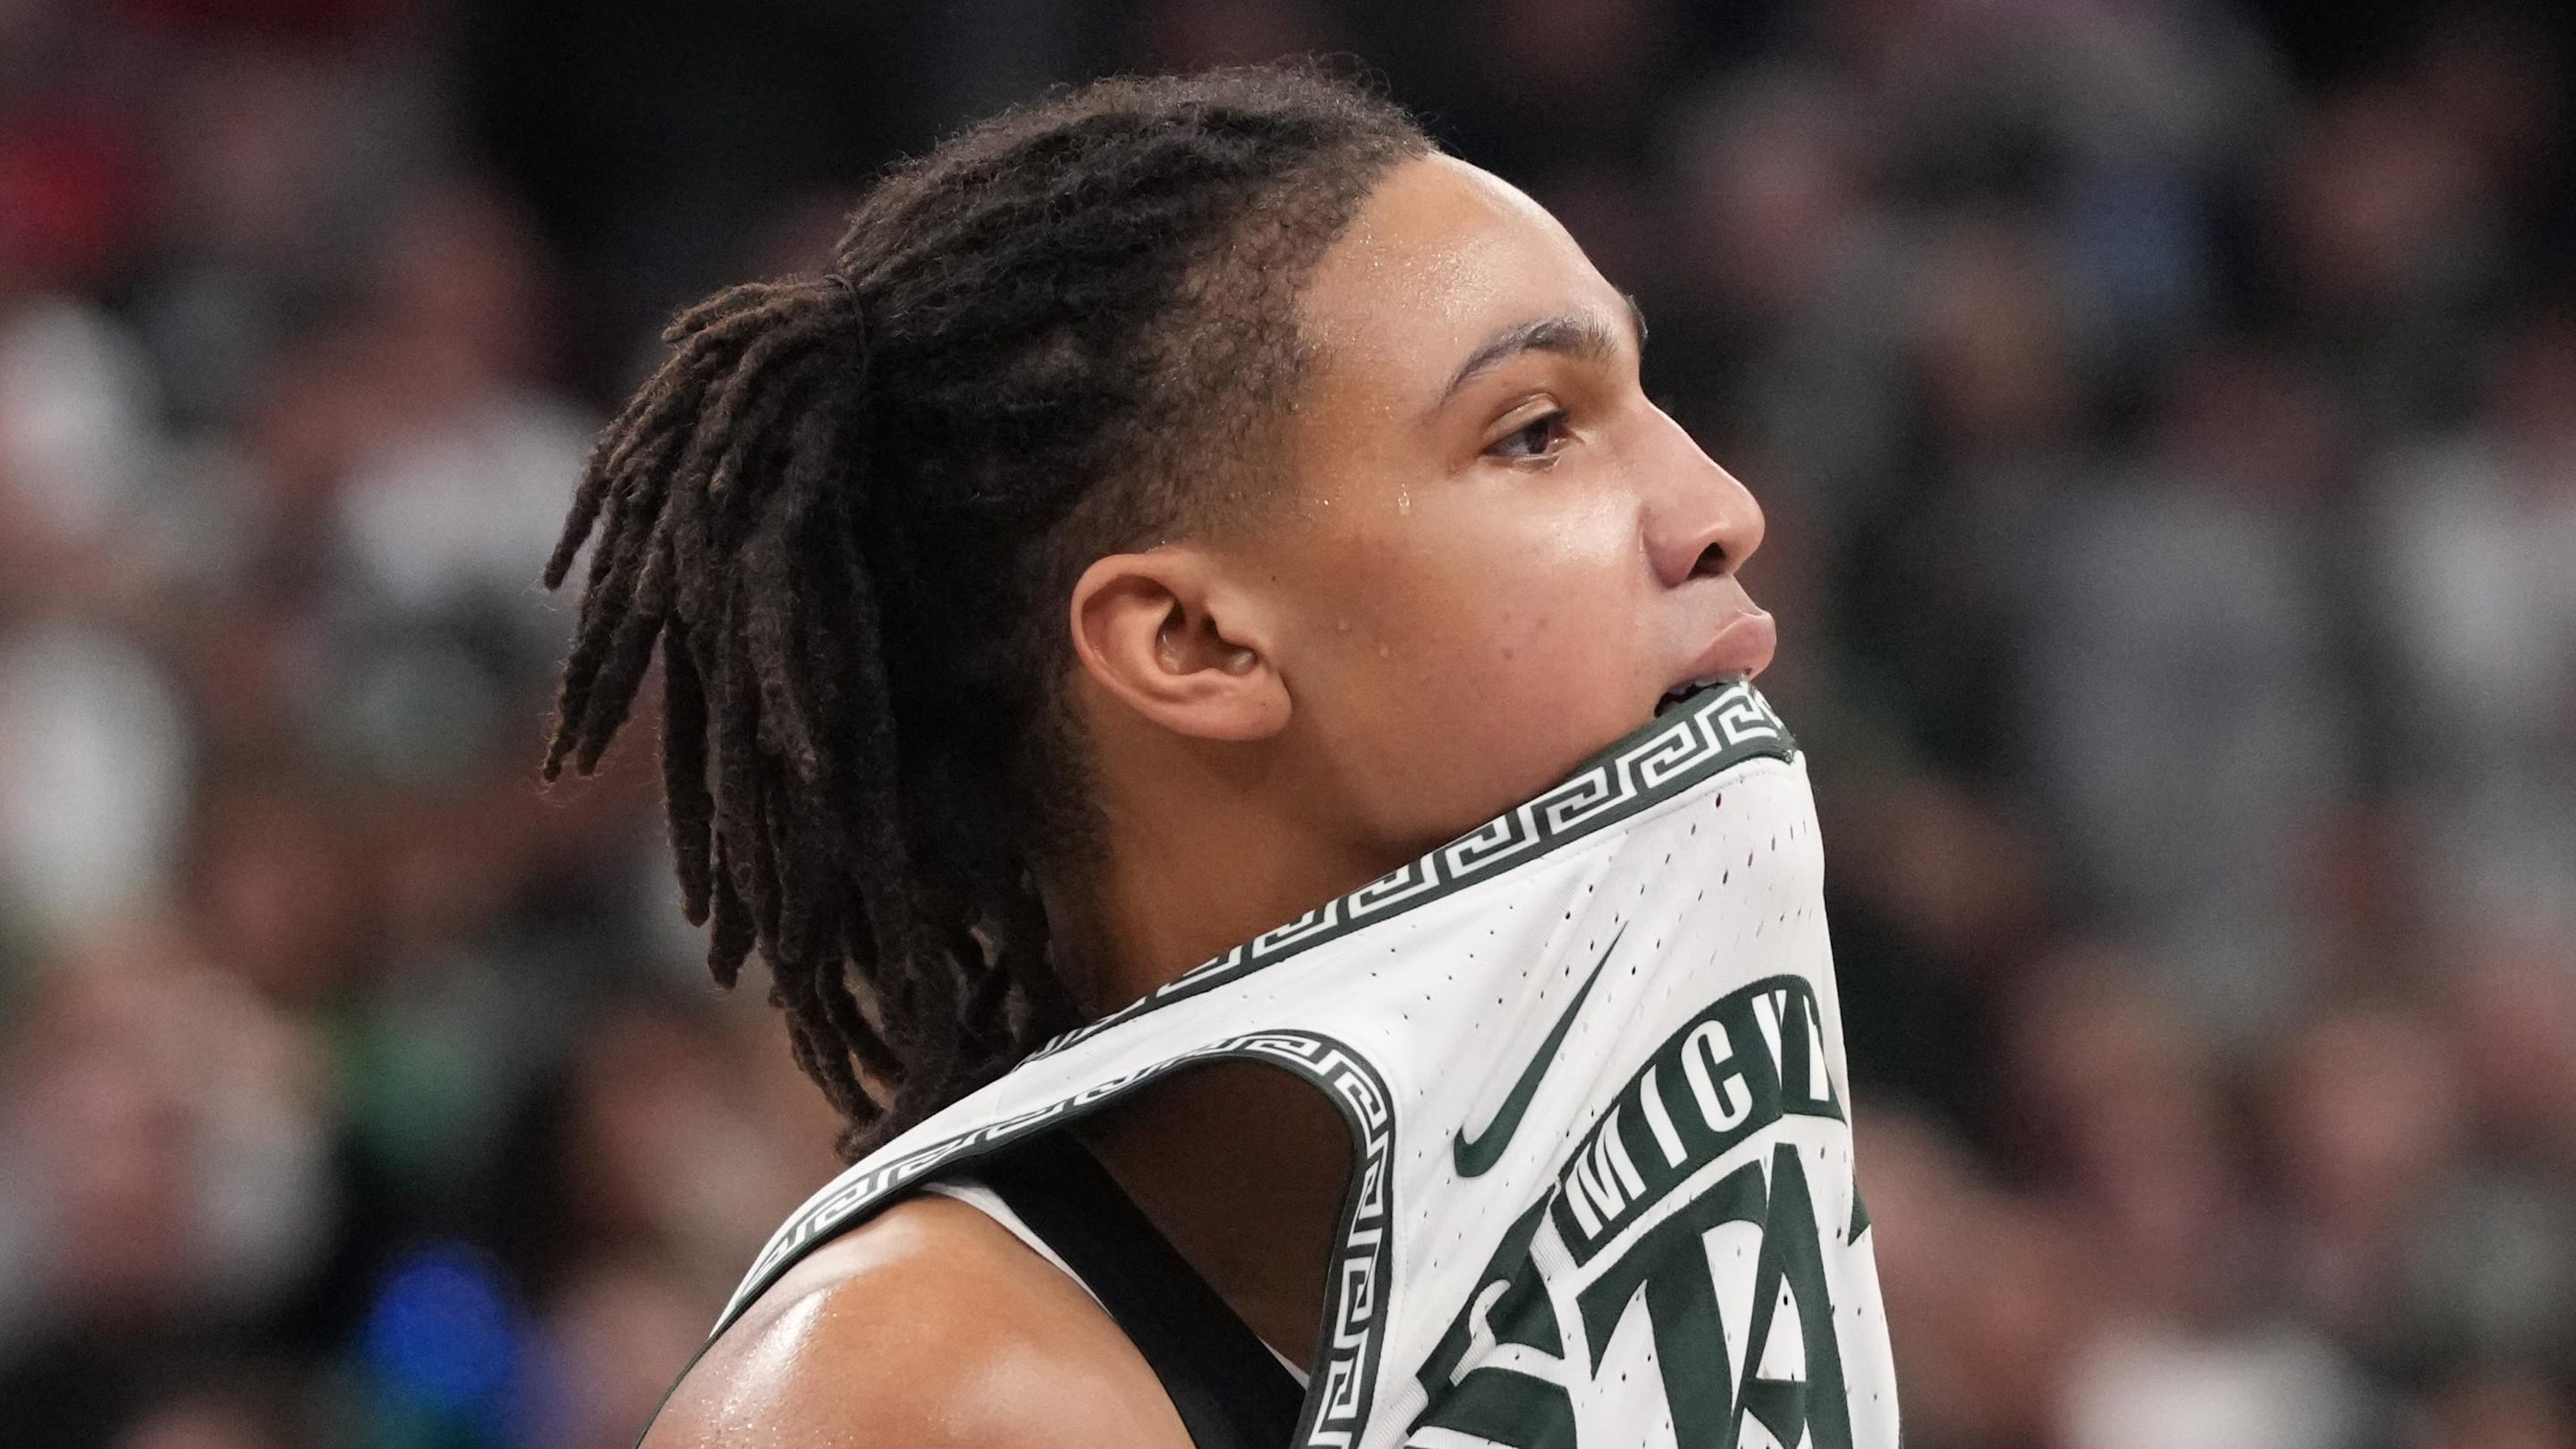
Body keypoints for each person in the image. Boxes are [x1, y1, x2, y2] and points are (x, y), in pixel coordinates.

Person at [547, 66, 1898, 1449]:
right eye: (1536, 430)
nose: (1720, 509)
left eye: (1643, 397)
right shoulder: (927, 1396)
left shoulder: (1672, 1281)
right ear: (1192, 640)